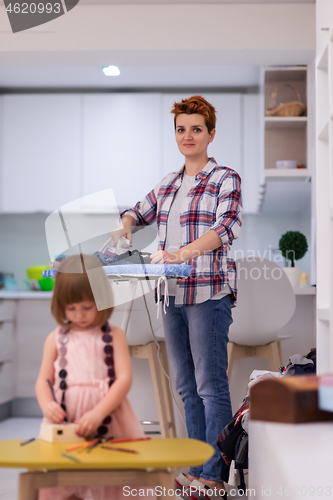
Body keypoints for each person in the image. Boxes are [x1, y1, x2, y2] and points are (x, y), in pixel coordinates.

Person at [113, 95, 242, 500]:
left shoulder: (225, 178)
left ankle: (214, 476)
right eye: (181, 129)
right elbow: (137, 210)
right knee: (186, 387)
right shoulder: (169, 183)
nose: (188, 136)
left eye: (196, 129)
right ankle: (193, 468)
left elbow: (226, 228)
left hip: (207, 292)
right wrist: (126, 225)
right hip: (170, 295)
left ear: (211, 134)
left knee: (209, 386)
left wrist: (180, 254)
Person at [35, 254, 144, 500]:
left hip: (109, 417)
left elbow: (124, 380)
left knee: (112, 480)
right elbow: (43, 380)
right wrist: (47, 404)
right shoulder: (55, 338)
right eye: (71, 308)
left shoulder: (114, 335)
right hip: (67, 418)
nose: (80, 315)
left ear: (102, 300)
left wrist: (98, 413)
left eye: (87, 307)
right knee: (62, 479)